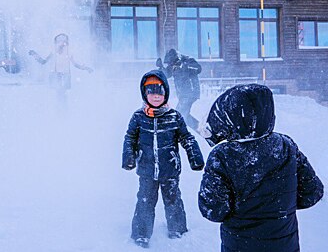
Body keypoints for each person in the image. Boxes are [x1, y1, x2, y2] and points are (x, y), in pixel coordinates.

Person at [198, 84, 324, 252]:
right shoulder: (286, 146)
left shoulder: (222, 155)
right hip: (285, 245)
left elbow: (214, 210)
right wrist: (279, 210)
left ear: (231, 118)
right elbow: (312, 192)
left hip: (240, 246)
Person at [122, 69, 204, 248]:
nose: (156, 95)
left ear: (166, 91)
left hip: (170, 168)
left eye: (160, 91)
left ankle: (178, 229)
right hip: (146, 169)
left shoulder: (174, 116)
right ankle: (141, 234)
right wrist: (129, 157)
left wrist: (195, 156)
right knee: (145, 201)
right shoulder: (138, 117)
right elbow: (130, 138)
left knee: (173, 199)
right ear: (145, 94)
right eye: (151, 91)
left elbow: (186, 137)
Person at [28, 33, 93, 103]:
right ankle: (60, 109)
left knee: (62, 94)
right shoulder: (54, 52)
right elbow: (43, 61)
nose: (61, 44)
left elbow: (75, 64)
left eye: (63, 42)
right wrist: (35, 54)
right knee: (59, 94)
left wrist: (86, 68)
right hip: (57, 75)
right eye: (59, 42)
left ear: (66, 43)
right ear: (56, 43)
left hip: (65, 75)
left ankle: (63, 109)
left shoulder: (68, 52)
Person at [156, 48, 201, 131]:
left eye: (171, 63)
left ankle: (175, 134)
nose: (171, 65)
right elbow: (166, 74)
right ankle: (201, 129)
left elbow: (198, 68)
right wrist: (161, 67)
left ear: (176, 59)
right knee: (185, 116)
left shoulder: (187, 60)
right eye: (169, 64)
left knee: (179, 114)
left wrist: (183, 66)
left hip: (191, 92)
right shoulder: (173, 65)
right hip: (182, 94)